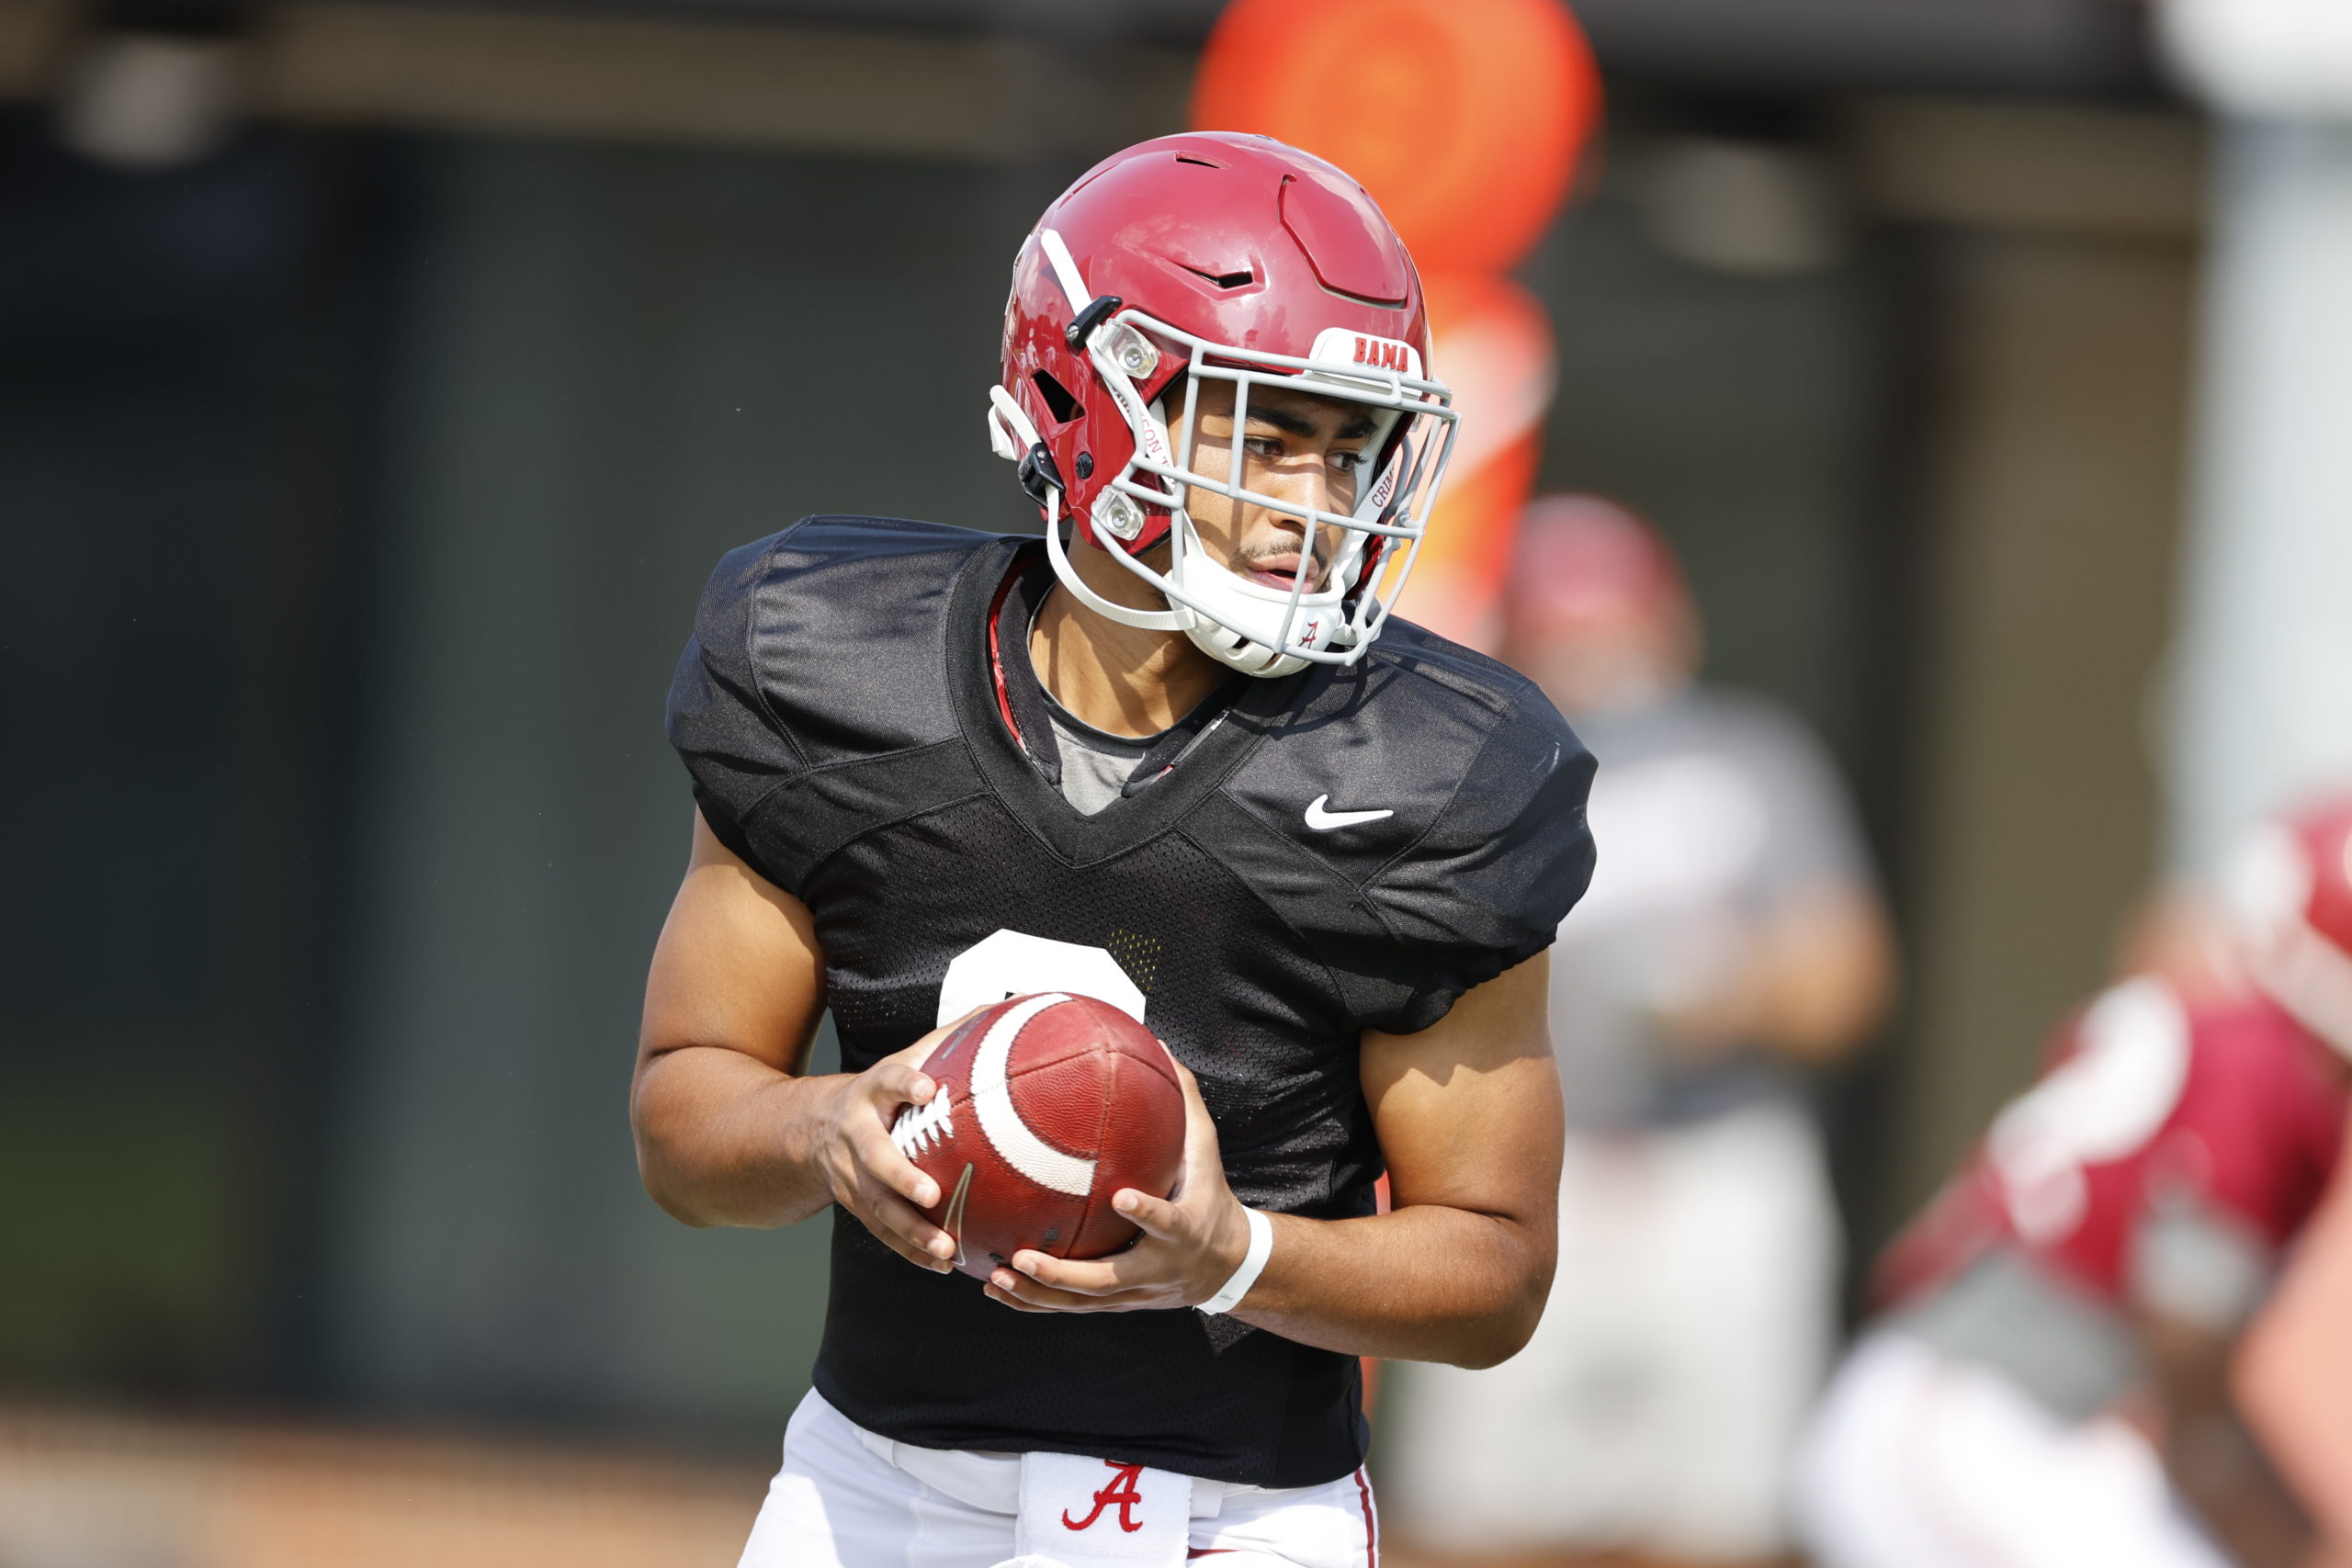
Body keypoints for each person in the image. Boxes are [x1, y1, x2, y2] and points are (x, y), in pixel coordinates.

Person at [632, 132, 1596, 1568]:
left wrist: (1240, 1256)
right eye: (1263, 430)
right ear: (1084, 403)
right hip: (878, 1491)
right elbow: (681, 1122)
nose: (1316, 502)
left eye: (1347, 445)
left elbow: (1498, 1267)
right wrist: (813, 1128)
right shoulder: (831, 665)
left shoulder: (1432, 767)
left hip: (1236, 1517)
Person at [1385, 496, 1896, 1568]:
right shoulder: (1462, 779)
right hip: (1524, 1164)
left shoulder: (1749, 757)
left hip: (1713, 1167)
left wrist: (1739, 996)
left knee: (1721, 1521)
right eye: (1563, 629)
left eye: (1613, 622)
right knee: (1474, 1515)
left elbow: (1849, 981)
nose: (1594, 653)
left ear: (1671, 623)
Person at [1794, 792, 2352, 1568]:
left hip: (2003, 1417)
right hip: (1976, 1415)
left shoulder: (2230, 1033)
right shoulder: (2267, 1068)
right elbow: (2187, 1361)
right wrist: (2290, 1538)